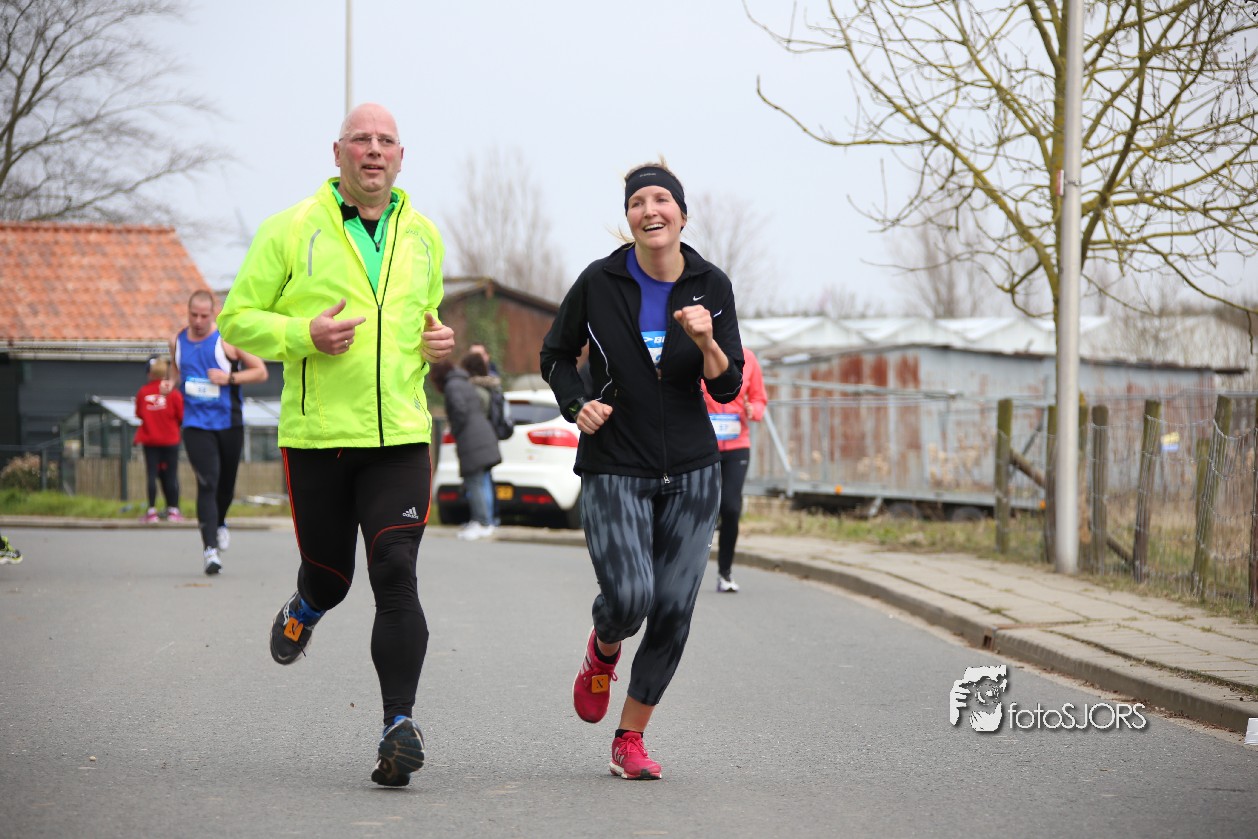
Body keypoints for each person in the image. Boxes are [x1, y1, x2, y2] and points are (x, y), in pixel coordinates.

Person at [217, 102, 455, 788]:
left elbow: (427, 321)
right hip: (320, 439)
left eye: (386, 141)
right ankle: (306, 607)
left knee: (395, 569)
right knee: (332, 576)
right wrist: (303, 336)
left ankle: (397, 726)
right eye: (361, 139)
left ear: (401, 157)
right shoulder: (291, 228)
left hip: (400, 436)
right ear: (338, 152)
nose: (373, 150)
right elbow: (237, 319)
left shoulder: (425, 236)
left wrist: (437, 342)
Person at [539, 161, 744, 780]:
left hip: (693, 468)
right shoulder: (599, 282)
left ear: (682, 213)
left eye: (662, 199)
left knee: (674, 609)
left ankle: (630, 738)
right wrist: (577, 403)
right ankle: (603, 649)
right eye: (637, 202)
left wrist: (707, 342)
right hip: (615, 463)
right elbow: (555, 354)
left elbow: (728, 386)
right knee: (630, 599)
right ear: (628, 217)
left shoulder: (711, 285)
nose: (650, 210)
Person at [167, 290, 268, 574]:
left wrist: (229, 378)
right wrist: (169, 384)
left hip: (228, 423)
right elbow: (175, 371)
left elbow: (260, 371)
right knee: (207, 482)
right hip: (196, 424)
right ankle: (210, 550)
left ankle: (220, 521)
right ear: (187, 313)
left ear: (214, 314)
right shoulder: (176, 341)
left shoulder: (227, 340)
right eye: (193, 315)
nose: (198, 321)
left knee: (225, 486)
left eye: (204, 316)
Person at [701, 345, 767, 592]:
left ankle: (725, 573)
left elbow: (759, 399)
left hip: (737, 446)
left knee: (730, 507)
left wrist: (754, 410)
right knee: (703, 508)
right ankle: (684, 571)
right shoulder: (700, 352)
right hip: (703, 446)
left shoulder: (748, 358)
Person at [430, 354, 501, 541]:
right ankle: (484, 521)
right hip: (483, 436)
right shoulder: (464, 382)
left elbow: (459, 410)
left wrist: (456, 429)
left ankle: (482, 523)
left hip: (472, 440)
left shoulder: (452, 386)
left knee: (474, 482)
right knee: (481, 481)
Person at [134, 357, 185, 523]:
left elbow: (139, 413)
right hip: (171, 440)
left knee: (151, 474)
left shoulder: (143, 392)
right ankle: (173, 510)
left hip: (150, 440)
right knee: (171, 475)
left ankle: (151, 511)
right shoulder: (173, 393)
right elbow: (181, 416)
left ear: (150, 373)